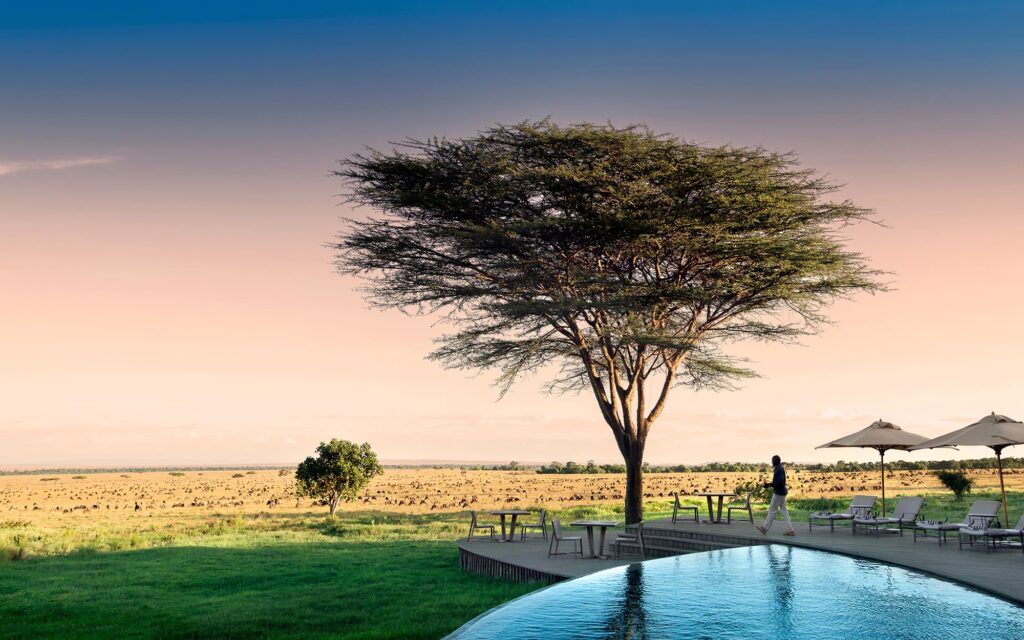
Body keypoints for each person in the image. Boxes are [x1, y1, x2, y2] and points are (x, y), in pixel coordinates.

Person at [756, 454, 796, 536]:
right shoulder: (779, 469)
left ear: (776, 461)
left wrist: (769, 485)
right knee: (784, 511)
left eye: (772, 460)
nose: (771, 462)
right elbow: (778, 482)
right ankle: (791, 530)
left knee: (772, 510)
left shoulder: (779, 470)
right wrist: (769, 484)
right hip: (782, 492)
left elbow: (779, 482)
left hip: (779, 493)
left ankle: (765, 528)